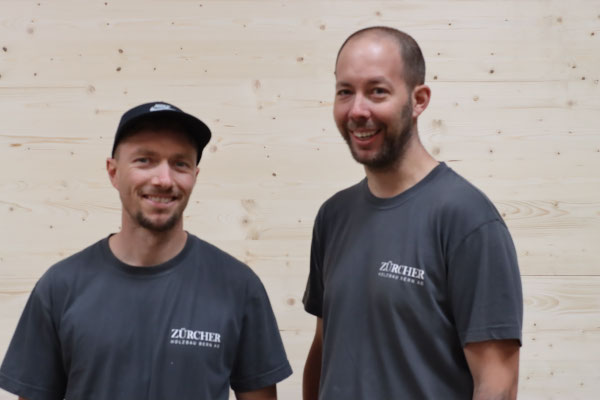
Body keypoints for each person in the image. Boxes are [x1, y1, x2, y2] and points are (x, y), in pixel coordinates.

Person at [0, 102, 292, 400]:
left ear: (195, 175)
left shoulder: (238, 287)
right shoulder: (60, 288)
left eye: (180, 164)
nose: (163, 179)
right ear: (113, 172)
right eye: (144, 160)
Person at [302, 27, 523, 400]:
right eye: (345, 92)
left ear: (418, 100)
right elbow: (325, 348)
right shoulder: (333, 216)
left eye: (377, 91)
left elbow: (497, 383)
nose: (357, 110)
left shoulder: (467, 219)